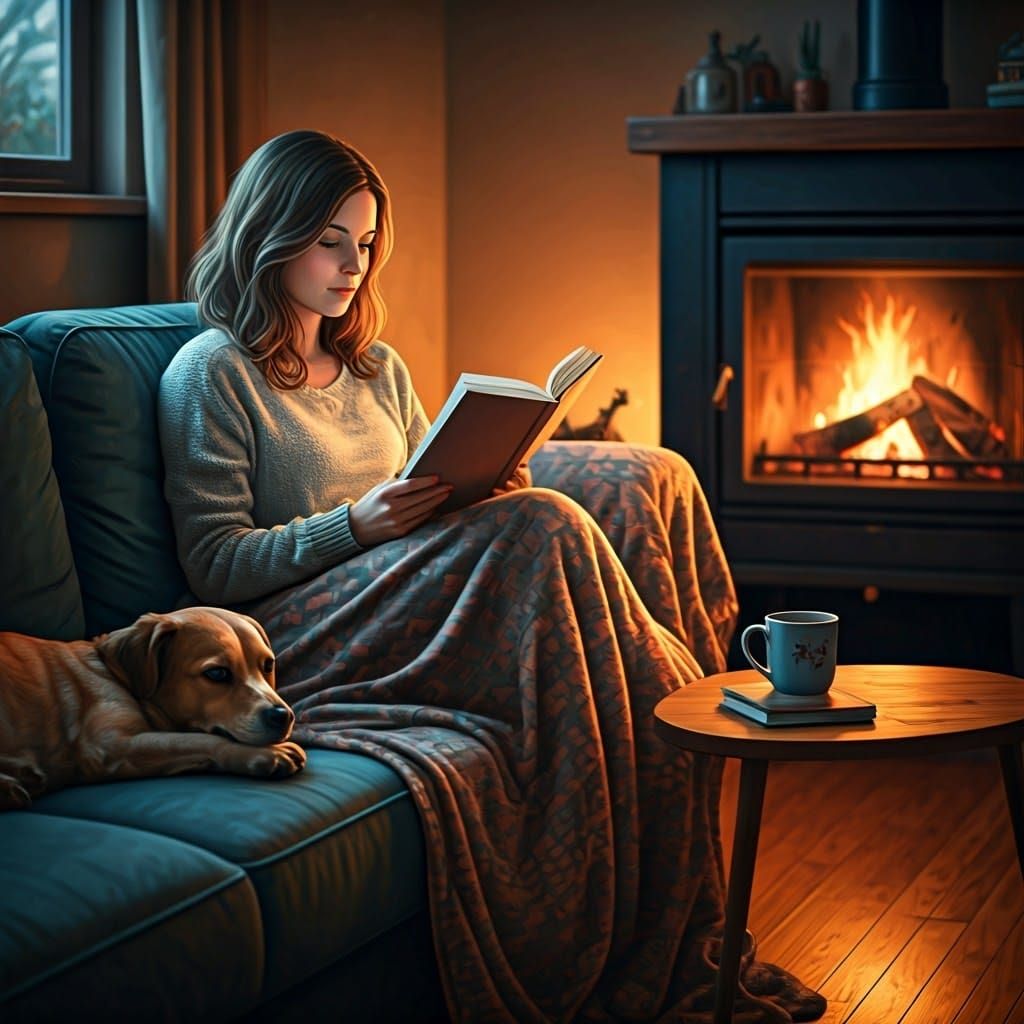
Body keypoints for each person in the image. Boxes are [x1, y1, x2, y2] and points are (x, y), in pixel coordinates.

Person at [158, 129, 824, 1024]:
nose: (353, 266)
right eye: (330, 242)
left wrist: (482, 484)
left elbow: (430, 486)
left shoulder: (376, 367)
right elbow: (215, 565)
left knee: (636, 477)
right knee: (544, 522)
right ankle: (676, 688)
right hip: (296, 630)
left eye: (365, 244)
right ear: (269, 235)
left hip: (406, 585)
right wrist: (351, 524)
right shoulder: (211, 374)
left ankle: (671, 759)